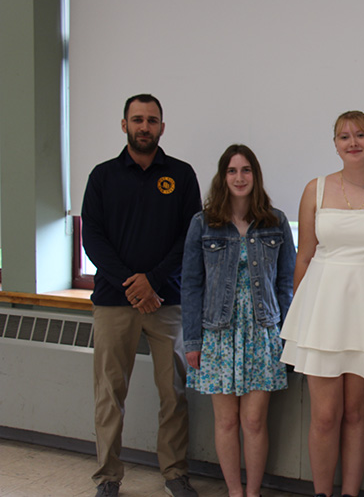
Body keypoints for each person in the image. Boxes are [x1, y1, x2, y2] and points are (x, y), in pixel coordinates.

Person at [280, 111, 364, 497]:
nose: (352, 141)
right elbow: (303, 257)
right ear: (335, 144)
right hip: (322, 308)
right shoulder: (315, 189)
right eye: (344, 136)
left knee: (357, 413)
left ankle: (350, 494)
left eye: (360, 134)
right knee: (325, 415)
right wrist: (299, 316)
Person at [81, 94, 201, 497]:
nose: (144, 126)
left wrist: (152, 281)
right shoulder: (102, 176)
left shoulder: (182, 175)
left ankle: (174, 473)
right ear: (124, 125)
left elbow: (189, 237)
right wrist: (132, 285)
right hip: (114, 303)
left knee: (175, 393)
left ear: (162, 127)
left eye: (152, 120)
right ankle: (108, 478)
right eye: (137, 119)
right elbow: (92, 238)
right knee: (109, 394)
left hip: (167, 301)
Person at [181, 144, 296, 497]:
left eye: (246, 170)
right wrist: (193, 341)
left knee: (253, 421)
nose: (239, 177)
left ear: (255, 176)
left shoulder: (275, 222)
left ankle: (253, 492)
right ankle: (234, 491)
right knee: (226, 421)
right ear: (222, 177)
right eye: (232, 171)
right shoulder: (203, 223)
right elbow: (191, 283)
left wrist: (286, 336)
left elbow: (286, 283)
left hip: (263, 333)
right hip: (216, 332)